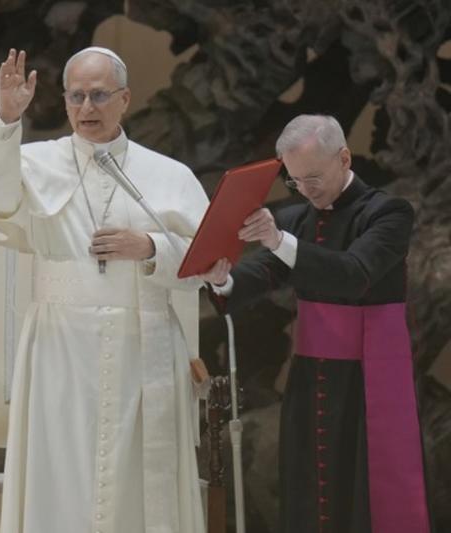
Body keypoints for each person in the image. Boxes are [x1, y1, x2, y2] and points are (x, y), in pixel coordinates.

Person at [0, 47, 209, 533]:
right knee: (62, 479)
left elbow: (207, 262)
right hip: (59, 352)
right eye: (76, 96)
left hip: (143, 352)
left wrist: (149, 247)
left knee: (134, 486)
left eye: (99, 96)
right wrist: (7, 121)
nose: (86, 108)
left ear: (125, 99)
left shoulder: (169, 175)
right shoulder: (34, 163)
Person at [202, 114, 431, 533]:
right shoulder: (296, 217)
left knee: (363, 486)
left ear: (344, 158)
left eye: (313, 179)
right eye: (294, 182)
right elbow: (267, 272)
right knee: (305, 482)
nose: (305, 191)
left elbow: (353, 274)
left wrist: (278, 240)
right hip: (309, 374)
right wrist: (224, 279)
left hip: (369, 374)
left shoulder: (388, 213)